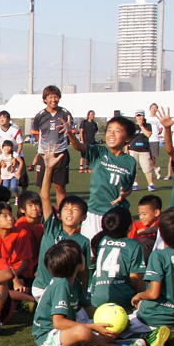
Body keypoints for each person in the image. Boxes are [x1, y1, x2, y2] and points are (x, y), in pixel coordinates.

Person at [33, 240, 145, 346]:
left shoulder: (74, 281)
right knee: (83, 331)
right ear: (76, 264)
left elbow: (91, 310)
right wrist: (93, 327)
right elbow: (58, 323)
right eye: (81, 254)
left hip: (68, 331)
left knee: (117, 321)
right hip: (49, 337)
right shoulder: (62, 284)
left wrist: (111, 322)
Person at [127, 206, 174, 346]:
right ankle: (171, 335)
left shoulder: (158, 256)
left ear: (161, 232)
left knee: (117, 329)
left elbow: (153, 294)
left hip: (152, 317)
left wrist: (139, 295)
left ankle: (149, 338)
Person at [31, 150, 90, 300]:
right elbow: (44, 196)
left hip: (68, 290)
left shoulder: (83, 241)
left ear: (83, 217)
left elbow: (84, 271)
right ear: (59, 213)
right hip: (43, 287)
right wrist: (49, 168)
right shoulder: (52, 227)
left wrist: (82, 294)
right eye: (66, 209)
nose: (69, 212)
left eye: (75, 210)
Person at [67, 115, 138, 238]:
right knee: (91, 252)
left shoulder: (130, 161)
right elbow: (78, 146)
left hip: (117, 215)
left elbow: (129, 187)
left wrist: (124, 195)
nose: (111, 134)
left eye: (117, 131)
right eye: (109, 130)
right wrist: (70, 133)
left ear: (127, 138)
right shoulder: (99, 153)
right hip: (94, 212)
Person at [88, 206, 146, 312]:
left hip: (97, 299)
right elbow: (135, 277)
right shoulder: (133, 245)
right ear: (130, 226)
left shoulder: (102, 241)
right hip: (122, 299)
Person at [32, 87, 74, 199]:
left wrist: (69, 130)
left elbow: (72, 133)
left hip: (61, 154)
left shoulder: (65, 114)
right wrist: (42, 148)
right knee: (43, 187)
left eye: (56, 97)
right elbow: (36, 133)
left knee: (60, 187)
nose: (53, 100)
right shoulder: (39, 116)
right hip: (44, 155)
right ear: (45, 99)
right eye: (50, 97)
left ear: (59, 98)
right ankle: (45, 215)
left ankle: (61, 214)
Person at [129, 113, 155, 191]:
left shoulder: (147, 125)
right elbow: (128, 137)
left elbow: (148, 135)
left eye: (141, 115)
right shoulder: (132, 126)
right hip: (133, 149)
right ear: (136, 117)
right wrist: (126, 148)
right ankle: (135, 184)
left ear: (143, 116)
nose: (139, 117)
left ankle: (151, 184)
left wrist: (141, 126)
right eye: (138, 116)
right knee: (134, 168)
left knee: (147, 168)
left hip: (144, 150)